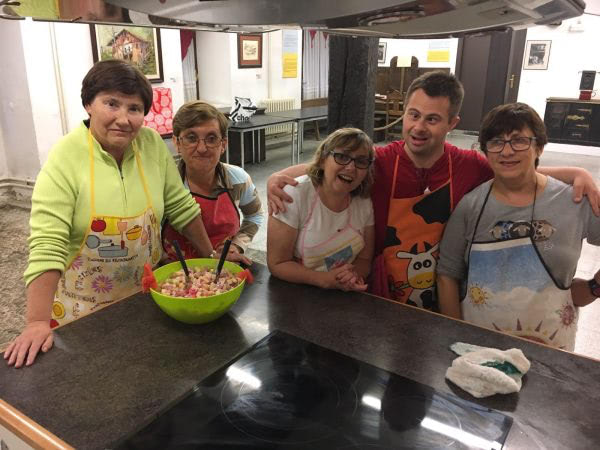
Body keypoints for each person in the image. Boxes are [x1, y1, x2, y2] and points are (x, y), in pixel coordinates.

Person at [267, 71, 600, 309]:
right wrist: (278, 176)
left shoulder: (469, 165)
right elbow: (332, 167)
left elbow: (517, 171)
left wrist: (575, 172)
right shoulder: (381, 160)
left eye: (432, 119)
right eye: (413, 115)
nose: (418, 127)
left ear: (452, 124)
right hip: (381, 292)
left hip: (445, 291)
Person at [4, 60, 214, 368]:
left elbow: (180, 206)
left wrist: (212, 257)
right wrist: (36, 321)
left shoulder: (151, 144)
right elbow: (48, 244)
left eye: (134, 108)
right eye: (111, 103)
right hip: (83, 312)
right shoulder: (65, 157)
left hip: (143, 299)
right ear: (89, 103)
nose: (123, 119)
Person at [436, 103, 600, 351]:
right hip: (479, 349)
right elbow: (447, 275)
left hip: (552, 350)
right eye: (496, 142)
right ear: (486, 151)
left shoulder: (574, 200)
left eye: (519, 140)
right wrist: (458, 339)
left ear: (539, 147)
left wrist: (594, 286)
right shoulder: (470, 206)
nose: (507, 151)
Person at [267, 128, 375, 291]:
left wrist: (352, 276)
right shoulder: (293, 195)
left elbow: (365, 259)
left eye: (360, 161)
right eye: (342, 157)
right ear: (324, 159)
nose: (351, 168)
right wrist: (323, 280)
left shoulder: (364, 202)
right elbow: (277, 263)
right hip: (297, 296)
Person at [161, 101, 262, 265]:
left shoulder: (239, 180)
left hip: (223, 269)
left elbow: (255, 215)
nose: (202, 148)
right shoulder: (165, 185)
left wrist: (237, 245)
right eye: (191, 138)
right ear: (177, 143)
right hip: (177, 273)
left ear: (223, 144)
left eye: (211, 138)